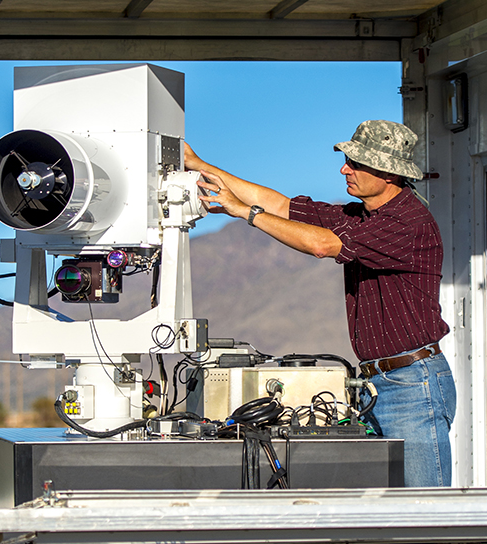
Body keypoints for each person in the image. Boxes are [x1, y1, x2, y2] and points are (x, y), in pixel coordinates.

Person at [185, 120, 456, 487]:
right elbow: (280, 205)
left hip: (411, 385)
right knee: (381, 504)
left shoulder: (406, 221)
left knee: (428, 509)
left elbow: (322, 245)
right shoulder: (362, 217)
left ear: (388, 172)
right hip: (379, 383)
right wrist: (201, 166)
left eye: (356, 163)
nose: (345, 169)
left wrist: (244, 213)